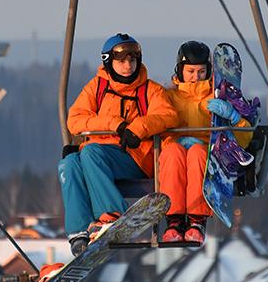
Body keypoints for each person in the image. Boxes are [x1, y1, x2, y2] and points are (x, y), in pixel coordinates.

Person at [58, 33, 179, 258]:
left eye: (132, 61)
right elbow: (74, 120)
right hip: (99, 158)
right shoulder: (97, 88)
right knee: (69, 164)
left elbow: (168, 115)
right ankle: (79, 231)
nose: (127, 66)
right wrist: (115, 125)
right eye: (121, 61)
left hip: (135, 158)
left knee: (91, 153)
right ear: (109, 62)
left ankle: (112, 214)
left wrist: (137, 129)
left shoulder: (149, 90)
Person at [159, 40, 252, 244]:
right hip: (174, 150)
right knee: (173, 153)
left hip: (208, 152)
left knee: (198, 153)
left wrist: (234, 117)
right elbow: (156, 121)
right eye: (190, 71)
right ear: (180, 70)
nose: (195, 77)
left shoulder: (218, 96)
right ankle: (173, 220)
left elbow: (243, 140)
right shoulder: (167, 97)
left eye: (201, 72)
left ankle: (196, 219)